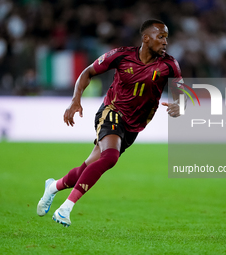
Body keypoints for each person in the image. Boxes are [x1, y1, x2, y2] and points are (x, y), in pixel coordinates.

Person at [37, 19, 184, 227]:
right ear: (145, 38)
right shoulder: (121, 55)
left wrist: (179, 106)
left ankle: (52, 187)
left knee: (89, 167)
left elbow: (181, 94)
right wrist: (75, 100)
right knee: (110, 156)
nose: (165, 42)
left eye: (166, 37)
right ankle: (66, 208)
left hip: (134, 126)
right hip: (111, 112)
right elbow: (87, 72)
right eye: (160, 36)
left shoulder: (169, 65)